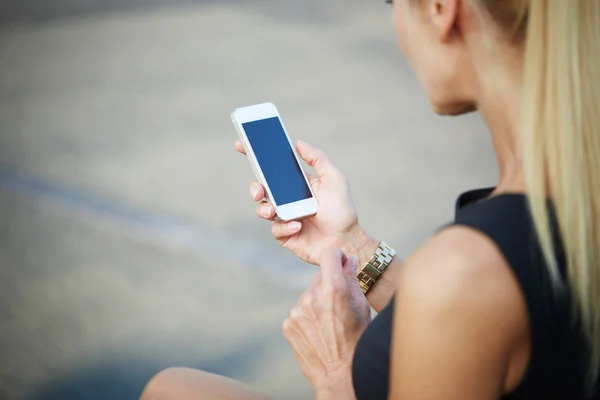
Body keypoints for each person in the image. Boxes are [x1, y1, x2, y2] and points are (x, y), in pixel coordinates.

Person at [140, 0, 600, 399]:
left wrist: (336, 374)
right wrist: (354, 244)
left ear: (443, 10)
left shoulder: (468, 268)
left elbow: (466, 300)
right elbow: (479, 321)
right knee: (172, 389)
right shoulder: (564, 207)